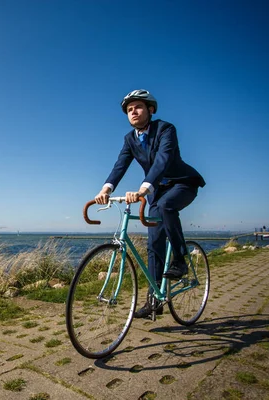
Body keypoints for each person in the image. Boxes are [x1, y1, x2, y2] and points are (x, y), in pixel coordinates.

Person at [95, 89, 205, 318]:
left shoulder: (165, 129)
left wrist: (144, 188)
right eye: (129, 110)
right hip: (157, 190)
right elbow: (120, 165)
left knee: (166, 207)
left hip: (181, 183)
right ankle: (154, 301)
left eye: (138, 107)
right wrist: (106, 188)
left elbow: (163, 160)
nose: (133, 112)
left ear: (150, 110)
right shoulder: (129, 139)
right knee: (153, 243)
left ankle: (180, 259)